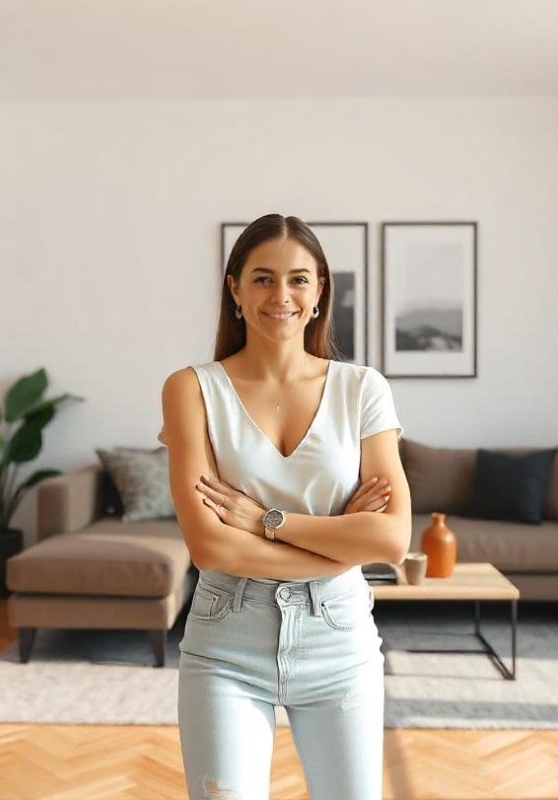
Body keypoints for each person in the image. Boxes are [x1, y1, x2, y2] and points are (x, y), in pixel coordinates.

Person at [158, 213, 411, 800]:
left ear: (320, 290)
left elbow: (392, 540)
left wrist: (266, 521)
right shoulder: (191, 389)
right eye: (263, 278)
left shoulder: (363, 389)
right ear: (236, 289)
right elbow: (210, 545)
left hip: (339, 640)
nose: (282, 295)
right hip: (226, 642)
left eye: (299, 279)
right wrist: (340, 539)